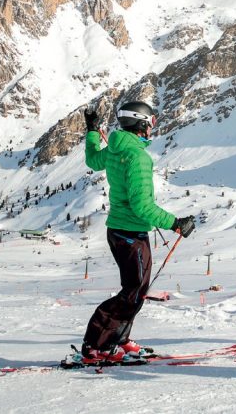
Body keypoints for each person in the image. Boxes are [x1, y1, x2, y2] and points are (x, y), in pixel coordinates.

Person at [75, 100, 195, 364]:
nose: (153, 127)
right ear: (141, 123)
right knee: (131, 294)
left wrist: (93, 130)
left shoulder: (117, 147)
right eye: (151, 122)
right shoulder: (137, 157)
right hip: (130, 232)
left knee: (135, 292)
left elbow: (93, 160)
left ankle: (118, 339)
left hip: (119, 230)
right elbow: (142, 205)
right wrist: (175, 223)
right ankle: (97, 346)